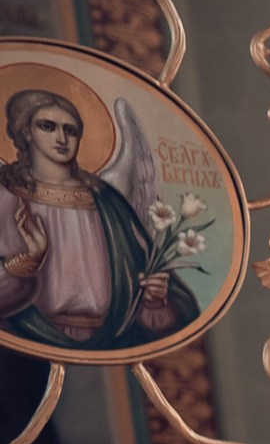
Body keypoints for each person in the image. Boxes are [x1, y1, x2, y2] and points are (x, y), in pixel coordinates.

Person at [0, 89, 198, 352]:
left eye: (70, 130)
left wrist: (153, 301)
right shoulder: (7, 195)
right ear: (26, 132)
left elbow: (155, 312)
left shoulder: (107, 202)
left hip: (112, 341)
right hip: (22, 345)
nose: (61, 138)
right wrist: (26, 263)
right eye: (47, 127)